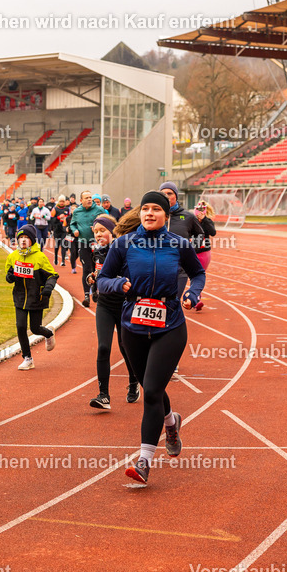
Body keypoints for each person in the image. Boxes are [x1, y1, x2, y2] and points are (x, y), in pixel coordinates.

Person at [96, 191, 205, 485]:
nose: (150, 213)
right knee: (149, 385)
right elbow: (102, 281)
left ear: (165, 215)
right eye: (146, 208)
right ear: (140, 213)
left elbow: (198, 274)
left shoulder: (179, 245)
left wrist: (192, 294)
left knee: (152, 391)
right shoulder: (124, 244)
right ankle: (171, 422)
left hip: (169, 325)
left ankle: (144, 461)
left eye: (156, 208)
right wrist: (119, 283)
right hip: (133, 326)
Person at [85, 215, 139, 408]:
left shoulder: (124, 250)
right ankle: (103, 395)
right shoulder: (97, 251)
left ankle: (133, 382)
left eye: (102, 231)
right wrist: (92, 280)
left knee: (126, 347)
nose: (98, 235)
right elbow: (95, 273)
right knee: (103, 347)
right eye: (95, 232)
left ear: (112, 231)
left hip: (124, 304)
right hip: (105, 305)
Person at [5, 227, 58, 370]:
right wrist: (10, 276)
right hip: (20, 297)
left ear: (32, 240)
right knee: (21, 327)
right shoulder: (13, 256)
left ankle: (49, 333)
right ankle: (27, 358)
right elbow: (8, 276)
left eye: (27, 238)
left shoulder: (40, 257)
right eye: (20, 238)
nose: (23, 240)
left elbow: (52, 275)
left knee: (35, 329)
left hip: (37, 297)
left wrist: (48, 288)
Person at [69, 192, 106, 305]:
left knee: (97, 268)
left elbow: (107, 222)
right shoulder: (77, 211)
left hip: (97, 243)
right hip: (83, 242)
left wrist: (98, 227)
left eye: (90, 197)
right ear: (81, 200)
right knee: (86, 268)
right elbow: (72, 224)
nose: (89, 200)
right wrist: (74, 230)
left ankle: (95, 291)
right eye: (87, 198)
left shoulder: (99, 210)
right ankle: (86, 296)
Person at [190, 200, 217, 311]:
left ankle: (196, 298)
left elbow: (213, 232)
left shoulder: (208, 221)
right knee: (192, 276)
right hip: (192, 252)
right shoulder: (191, 221)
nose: (199, 212)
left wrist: (205, 219)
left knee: (198, 275)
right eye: (198, 209)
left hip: (204, 252)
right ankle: (195, 297)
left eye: (202, 210)